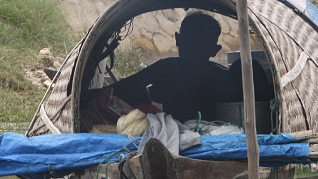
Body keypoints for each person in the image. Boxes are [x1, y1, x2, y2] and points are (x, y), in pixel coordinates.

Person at [94, 11, 229, 123]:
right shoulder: (221, 75)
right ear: (214, 49)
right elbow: (128, 85)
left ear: (178, 40)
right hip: (210, 133)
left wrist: (90, 95)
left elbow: (125, 85)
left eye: (198, 47)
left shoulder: (166, 68)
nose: (194, 51)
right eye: (192, 45)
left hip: (172, 132)